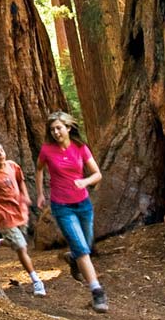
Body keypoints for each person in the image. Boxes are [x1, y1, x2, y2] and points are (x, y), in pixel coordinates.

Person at [34, 111, 109, 313]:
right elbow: (39, 169)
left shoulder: (80, 148)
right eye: (52, 129)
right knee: (82, 249)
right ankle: (97, 292)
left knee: (86, 246)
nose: (56, 132)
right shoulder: (47, 151)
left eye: (59, 128)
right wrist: (40, 193)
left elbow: (97, 174)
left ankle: (73, 259)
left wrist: (84, 181)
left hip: (83, 204)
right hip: (62, 207)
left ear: (68, 128)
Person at [0, 140, 47, 297]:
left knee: (17, 242)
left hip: (20, 212)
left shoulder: (12, 165)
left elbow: (20, 180)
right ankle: (37, 281)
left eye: (2, 150)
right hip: (5, 217)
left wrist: (24, 195)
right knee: (21, 247)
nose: (1, 154)